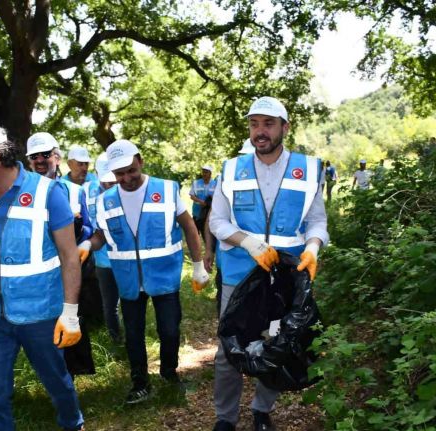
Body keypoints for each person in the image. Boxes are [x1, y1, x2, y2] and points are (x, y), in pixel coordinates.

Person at [0, 120, 85, 431]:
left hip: (40, 314)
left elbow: (69, 256)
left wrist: (70, 312)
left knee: (57, 382)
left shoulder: (49, 192)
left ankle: (72, 423)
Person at [208, 96, 328, 431]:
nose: (260, 131)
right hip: (239, 274)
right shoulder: (231, 169)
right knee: (228, 351)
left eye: (268, 123)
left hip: (285, 277)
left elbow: (317, 222)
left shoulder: (308, 169)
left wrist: (314, 247)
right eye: (254, 124)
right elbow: (217, 221)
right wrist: (247, 242)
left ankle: (262, 410)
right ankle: (225, 418)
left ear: (285, 127)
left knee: (277, 344)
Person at [78, 139, 210, 404]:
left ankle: (169, 372)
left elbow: (189, 227)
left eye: (130, 171)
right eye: (119, 174)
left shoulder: (166, 189)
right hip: (127, 280)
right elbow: (102, 236)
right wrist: (86, 245)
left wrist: (198, 266)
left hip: (164, 276)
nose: (126, 178)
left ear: (140, 160)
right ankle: (140, 383)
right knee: (134, 335)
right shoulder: (106, 200)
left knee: (170, 330)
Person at [26, 132, 97, 376]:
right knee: (43, 328)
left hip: (70, 269)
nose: (40, 160)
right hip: (38, 274)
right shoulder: (23, 193)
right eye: (34, 156)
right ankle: (54, 378)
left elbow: (89, 227)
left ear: (56, 157)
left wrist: (81, 237)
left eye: (45, 154)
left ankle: (72, 379)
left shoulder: (75, 191)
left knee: (72, 320)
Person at [83, 153, 121, 343]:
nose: (110, 185)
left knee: (131, 301)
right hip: (102, 258)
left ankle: (133, 337)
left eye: (114, 181)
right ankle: (116, 339)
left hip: (126, 258)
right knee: (110, 304)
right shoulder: (85, 191)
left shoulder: (128, 189)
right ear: (96, 173)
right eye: (106, 181)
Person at [189, 165, 217, 236]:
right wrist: (200, 201)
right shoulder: (196, 183)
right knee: (194, 234)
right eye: (203, 172)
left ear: (210, 173)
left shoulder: (215, 184)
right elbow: (192, 196)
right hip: (197, 213)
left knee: (207, 235)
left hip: (209, 215)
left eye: (206, 172)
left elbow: (218, 198)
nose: (204, 174)